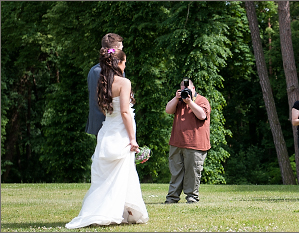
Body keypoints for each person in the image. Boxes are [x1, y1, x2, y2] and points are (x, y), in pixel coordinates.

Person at [66, 48, 149, 229]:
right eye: (124, 62)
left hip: (107, 131)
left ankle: (117, 211)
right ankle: (118, 211)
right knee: (123, 173)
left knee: (107, 176)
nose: (125, 65)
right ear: (118, 63)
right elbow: (125, 112)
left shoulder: (101, 83)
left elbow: (104, 110)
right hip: (120, 132)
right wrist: (132, 138)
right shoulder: (124, 83)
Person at [164, 78, 211, 204]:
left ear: (193, 89)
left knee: (193, 173)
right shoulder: (178, 102)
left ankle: (192, 197)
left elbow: (202, 115)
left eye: (188, 88)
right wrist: (176, 98)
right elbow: (168, 110)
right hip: (177, 142)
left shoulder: (202, 100)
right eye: (183, 88)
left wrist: (190, 102)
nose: (185, 91)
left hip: (195, 144)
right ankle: (172, 198)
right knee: (175, 172)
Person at [85, 33, 124, 136]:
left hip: (97, 123)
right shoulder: (117, 71)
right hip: (113, 124)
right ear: (116, 48)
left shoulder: (93, 70)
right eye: (121, 47)